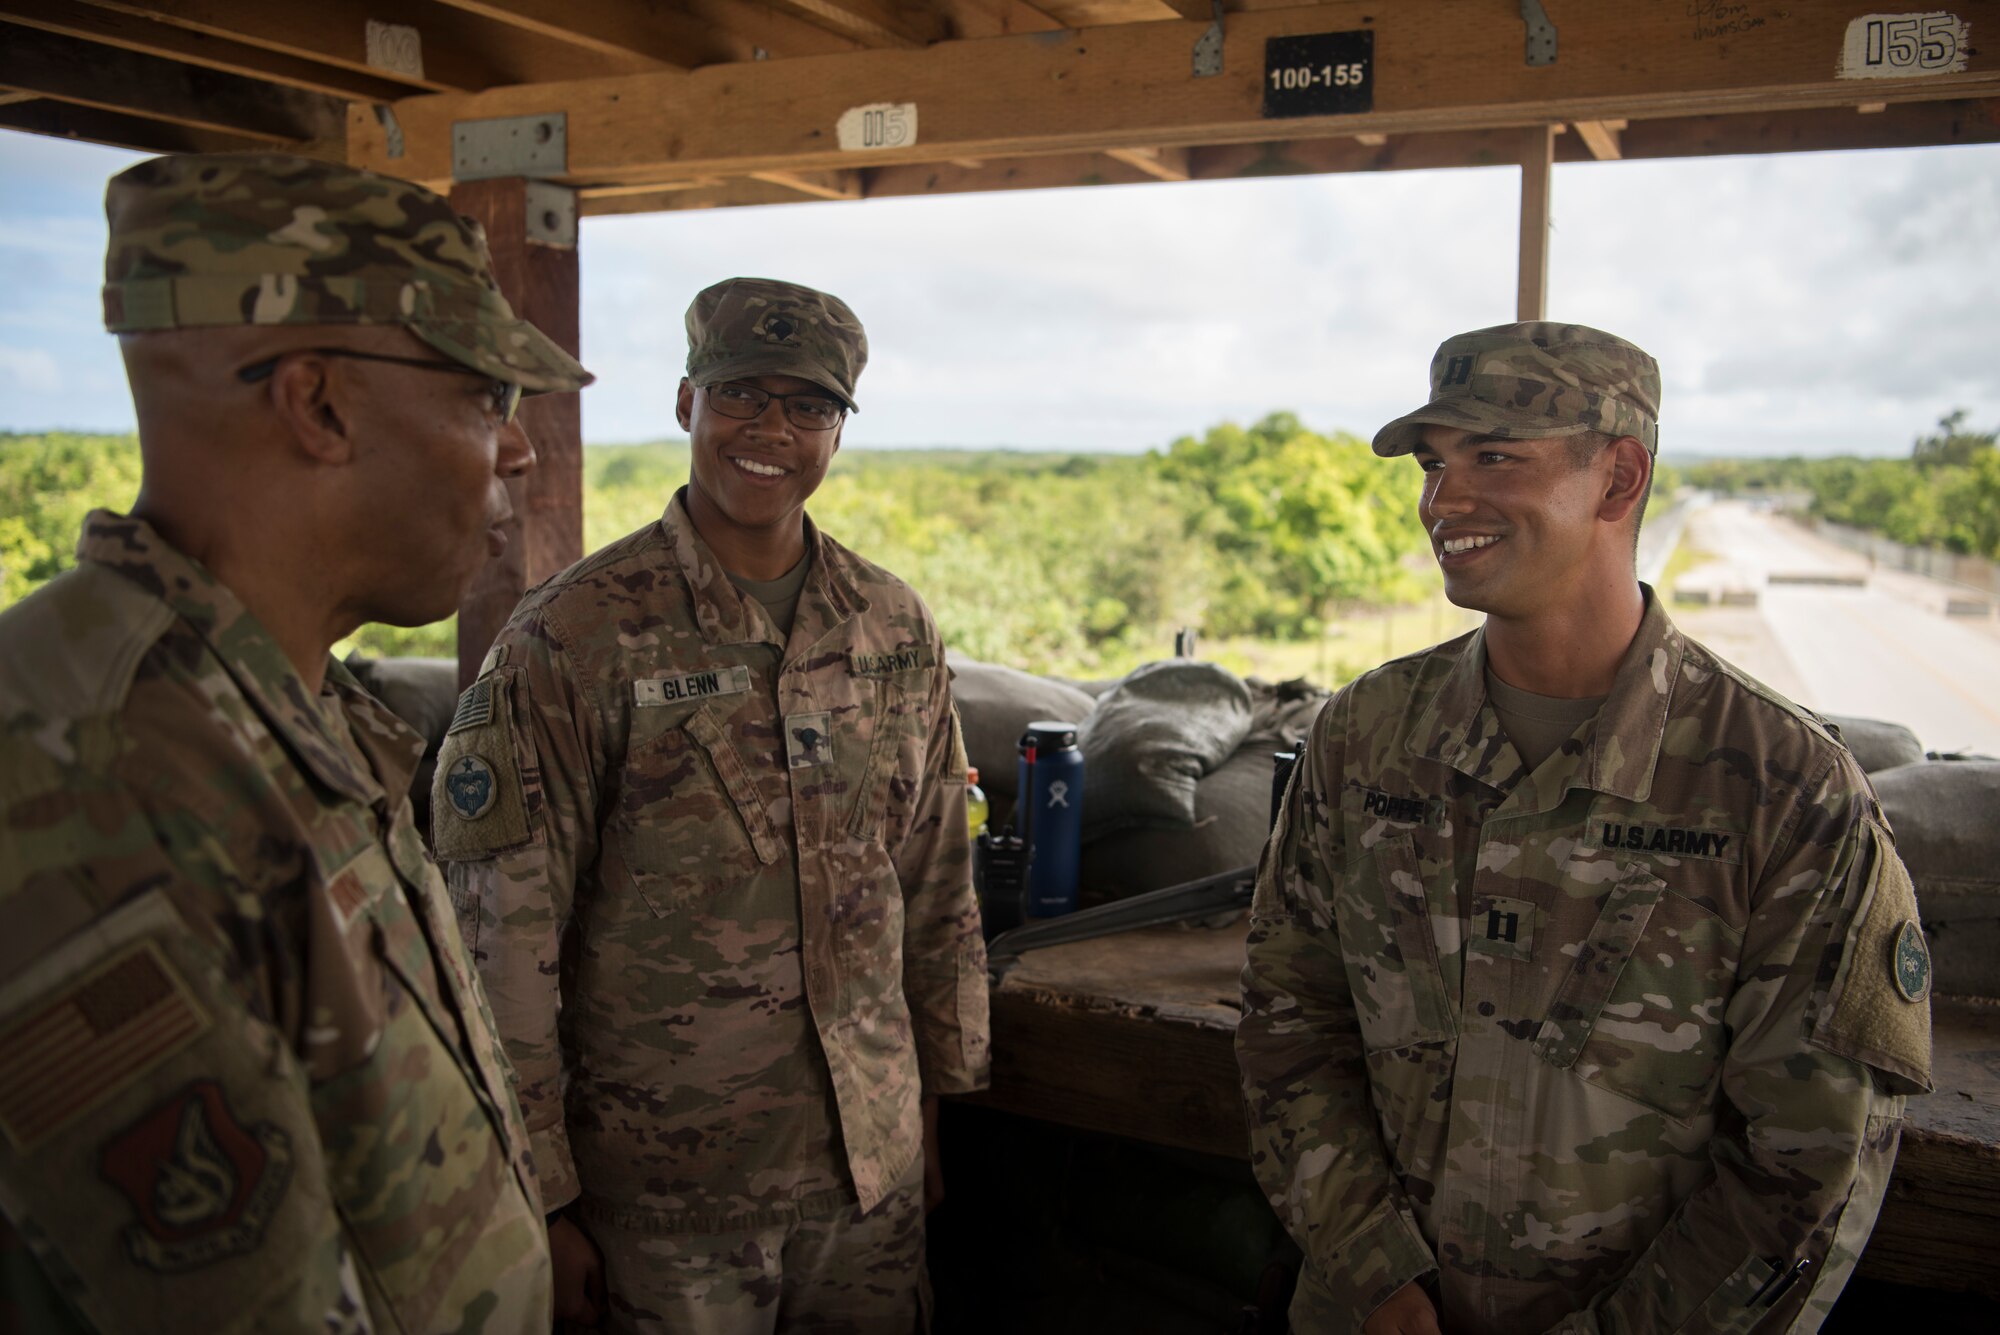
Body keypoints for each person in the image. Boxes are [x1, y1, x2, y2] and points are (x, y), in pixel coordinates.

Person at [1236, 322, 1931, 1335]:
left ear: (1616, 481)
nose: (1443, 499)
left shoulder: (1783, 789)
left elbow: (1809, 1166)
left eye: (1494, 457)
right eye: (1434, 464)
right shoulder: (1364, 736)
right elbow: (1287, 1021)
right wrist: (1374, 1277)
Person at [0, 152, 593, 1332]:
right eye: (484, 395)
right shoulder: (99, 792)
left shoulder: (288, 706)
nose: (520, 450)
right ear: (318, 404)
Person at [435, 277, 989, 1333]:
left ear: (838, 430)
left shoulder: (889, 624)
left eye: (809, 407)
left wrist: (930, 1103)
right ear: (687, 402)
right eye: (742, 393)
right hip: (663, 1201)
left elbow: (931, 875)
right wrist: (537, 1191)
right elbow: (500, 935)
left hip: (863, 1181)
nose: (771, 430)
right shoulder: (572, 638)